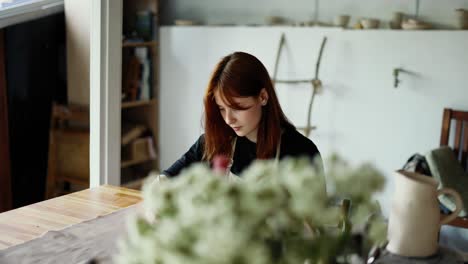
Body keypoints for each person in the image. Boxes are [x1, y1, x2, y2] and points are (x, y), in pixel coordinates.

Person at [162, 51, 322, 178]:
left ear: (263, 97)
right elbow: (164, 181)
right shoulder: (214, 143)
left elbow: (316, 217)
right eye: (221, 108)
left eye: (237, 108)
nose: (228, 119)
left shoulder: (302, 152)